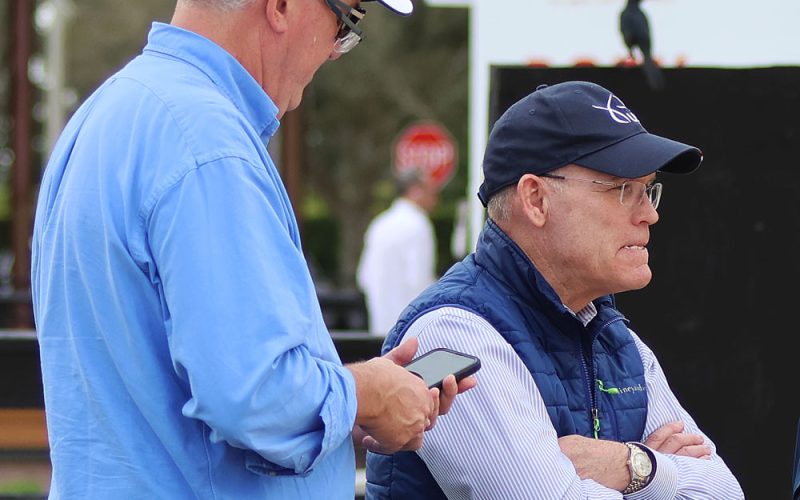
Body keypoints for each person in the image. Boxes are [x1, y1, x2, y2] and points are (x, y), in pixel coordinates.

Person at [30, 0, 476, 497]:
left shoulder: (105, 115)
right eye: (345, 21)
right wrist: (367, 393)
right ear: (281, 6)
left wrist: (355, 404)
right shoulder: (208, 143)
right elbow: (254, 394)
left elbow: (163, 401)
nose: (336, 50)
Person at [366, 81, 744, 498]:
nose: (649, 214)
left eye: (649, 190)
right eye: (623, 189)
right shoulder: (454, 333)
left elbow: (727, 493)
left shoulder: (618, 343)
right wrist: (664, 475)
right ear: (536, 199)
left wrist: (634, 466)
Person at [357, 167, 439, 335]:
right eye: (431, 192)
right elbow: (420, 282)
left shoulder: (379, 223)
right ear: (415, 190)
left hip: (380, 328)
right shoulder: (418, 224)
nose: (435, 199)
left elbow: (363, 277)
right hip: (411, 329)